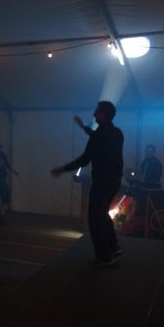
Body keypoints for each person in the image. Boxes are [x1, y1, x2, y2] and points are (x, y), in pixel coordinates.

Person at [51, 101, 124, 266]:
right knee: (102, 214)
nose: (94, 114)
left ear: (104, 115)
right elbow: (98, 137)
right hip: (115, 180)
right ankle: (113, 247)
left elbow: (85, 158)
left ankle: (104, 257)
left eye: (97, 112)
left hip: (102, 182)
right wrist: (84, 127)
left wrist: (63, 168)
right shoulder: (117, 133)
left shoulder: (99, 135)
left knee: (94, 218)